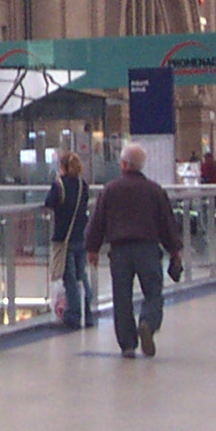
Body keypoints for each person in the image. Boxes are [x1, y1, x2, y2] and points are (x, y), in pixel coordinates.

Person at [84, 142, 184, 359]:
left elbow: (97, 220)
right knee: (153, 291)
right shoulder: (154, 190)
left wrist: (92, 248)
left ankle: (127, 345)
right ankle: (147, 322)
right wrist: (175, 249)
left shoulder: (110, 189)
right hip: (147, 249)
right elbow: (167, 223)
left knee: (122, 297)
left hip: (119, 251)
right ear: (141, 165)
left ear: (123, 164)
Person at [44, 151, 95, 329]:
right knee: (82, 276)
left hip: (63, 238)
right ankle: (87, 313)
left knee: (70, 279)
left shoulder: (59, 185)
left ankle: (73, 314)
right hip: (80, 235)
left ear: (62, 167)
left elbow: (49, 202)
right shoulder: (82, 185)